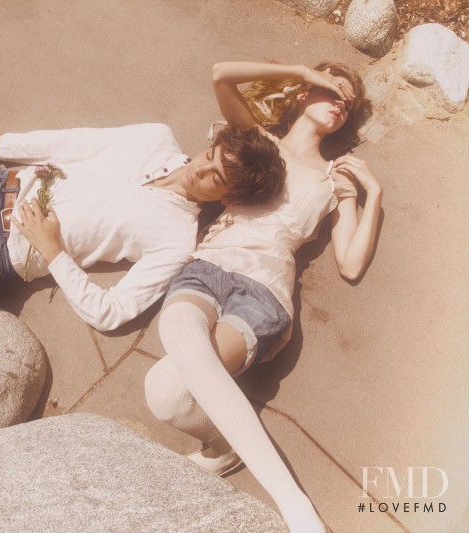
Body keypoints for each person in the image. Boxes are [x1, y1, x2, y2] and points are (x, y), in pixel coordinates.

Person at [144, 61, 382, 533]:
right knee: (172, 345)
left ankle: (258, 477)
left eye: (347, 103)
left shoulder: (334, 178)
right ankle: (288, 500)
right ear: (302, 93)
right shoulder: (256, 140)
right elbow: (219, 74)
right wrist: (302, 72)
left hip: (265, 292)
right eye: (331, 89)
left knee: (167, 393)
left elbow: (351, 264)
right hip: (209, 268)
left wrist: (372, 195)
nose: (338, 101)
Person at [0, 103, 286, 331]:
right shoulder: (155, 137)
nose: (198, 168)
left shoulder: (177, 239)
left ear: (227, 199)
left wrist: (54, 251)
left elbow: (113, 313)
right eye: (210, 154)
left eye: (215, 176)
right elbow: (70, 142)